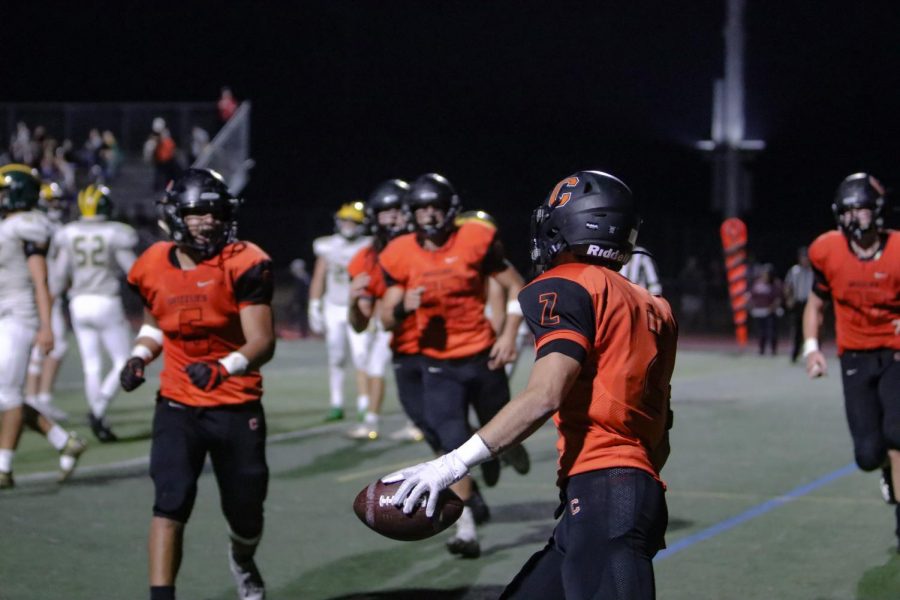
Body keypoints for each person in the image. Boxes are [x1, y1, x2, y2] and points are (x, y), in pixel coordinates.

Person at [386, 171, 677, 599]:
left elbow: (544, 395)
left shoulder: (569, 283)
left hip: (606, 491)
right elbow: (661, 430)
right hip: (622, 492)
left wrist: (451, 464)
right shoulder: (654, 306)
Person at [120, 168, 275, 600]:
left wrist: (223, 367)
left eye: (215, 211)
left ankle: (242, 558)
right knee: (170, 500)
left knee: (246, 513)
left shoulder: (245, 261)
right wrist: (138, 356)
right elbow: (155, 326)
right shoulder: (151, 264)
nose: (208, 221)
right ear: (175, 216)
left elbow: (262, 341)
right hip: (177, 403)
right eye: (197, 213)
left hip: (236, 403)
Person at [379, 173, 528, 558]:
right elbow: (384, 318)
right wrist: (399, 306)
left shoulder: (475, 239)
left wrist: (509, 334)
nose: (429, 215)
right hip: (437, 365)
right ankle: (466, 529)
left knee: (503, 426)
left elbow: (517, 286)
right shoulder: (398, 252)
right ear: (411, 213)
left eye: (436, 207)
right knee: (448, 443)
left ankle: (505, 448)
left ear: (451, 210)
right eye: (422, 208)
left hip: (481, 355)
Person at [803, 172, 900, 550]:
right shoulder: (827, 250)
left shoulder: (896, 250)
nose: (855, 216)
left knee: (897, 433)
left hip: (894, 350)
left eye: (861, 208)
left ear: (877, 210)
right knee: (867, 454)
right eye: (849, 209)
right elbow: (816, 302)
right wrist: (812, 347)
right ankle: (885, 473)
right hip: (854, 354)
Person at [0, 165, 87, 489]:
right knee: (5, 394)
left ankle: (4, 468)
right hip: (4, 314)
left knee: (7, 394)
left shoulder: (25, 226)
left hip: (19, 317)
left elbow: (40, 279)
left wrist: (47, 327)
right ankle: (63, 440)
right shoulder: (11, 225)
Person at [53, 184, 138, 442]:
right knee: (123, 360)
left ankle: (99, 416)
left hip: (78, 303)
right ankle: (98, 410)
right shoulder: (116, 233)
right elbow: (133, 272)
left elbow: (58, 278)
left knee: (92, 366)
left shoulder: (68, 233)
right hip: (105, 301)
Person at [346, 179, 414, 440]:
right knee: (375, 366)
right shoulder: (366, 257)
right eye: (386, 212)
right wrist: (353, 301)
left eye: (398, 210)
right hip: (392, 323)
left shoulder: (425, 246)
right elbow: (360, 322)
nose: (393, 218)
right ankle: (373, 420)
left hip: (432, 327)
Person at [308, 201, 373, 422]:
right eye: (345, 220)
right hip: (333, 306)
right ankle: (336, 403)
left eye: (353, 221)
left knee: (361, 356)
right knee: (336, 357)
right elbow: (319, 274)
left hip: (357, 307)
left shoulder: (368, 245)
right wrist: (314, 304)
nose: (348, 225)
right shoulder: (328, 246)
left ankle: (365, 403)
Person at [24, 182, 71, 422]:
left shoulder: (48, 226)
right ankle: (36, 398)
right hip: (40, 291)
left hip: (44, 289)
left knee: (45, 347)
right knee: (50, 345)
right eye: (52, 201)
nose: (57, 205)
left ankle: (38, 398)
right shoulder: (41, 226)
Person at [784, 246, 813, 363]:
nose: (805, 260)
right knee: (797, 329)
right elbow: (787, 286)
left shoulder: (814, 272)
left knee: (811, 329)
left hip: (810, 303)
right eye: (803, 257)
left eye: (806, 257)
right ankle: (795, 353)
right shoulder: (794, 271)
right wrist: (789, 299)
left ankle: (811, 353)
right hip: (798, 302)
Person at [748, 264, 782, 355]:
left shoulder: (775, 284)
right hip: (759, 312)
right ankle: (761, 349)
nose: (765, 276)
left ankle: (773, 350)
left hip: (771, 311)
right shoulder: (757, 283)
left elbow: (778, 298)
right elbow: (752, 296)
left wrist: (771, 308)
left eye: (767, 274)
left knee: (772, 332)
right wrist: (751, 305)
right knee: (761, 332)